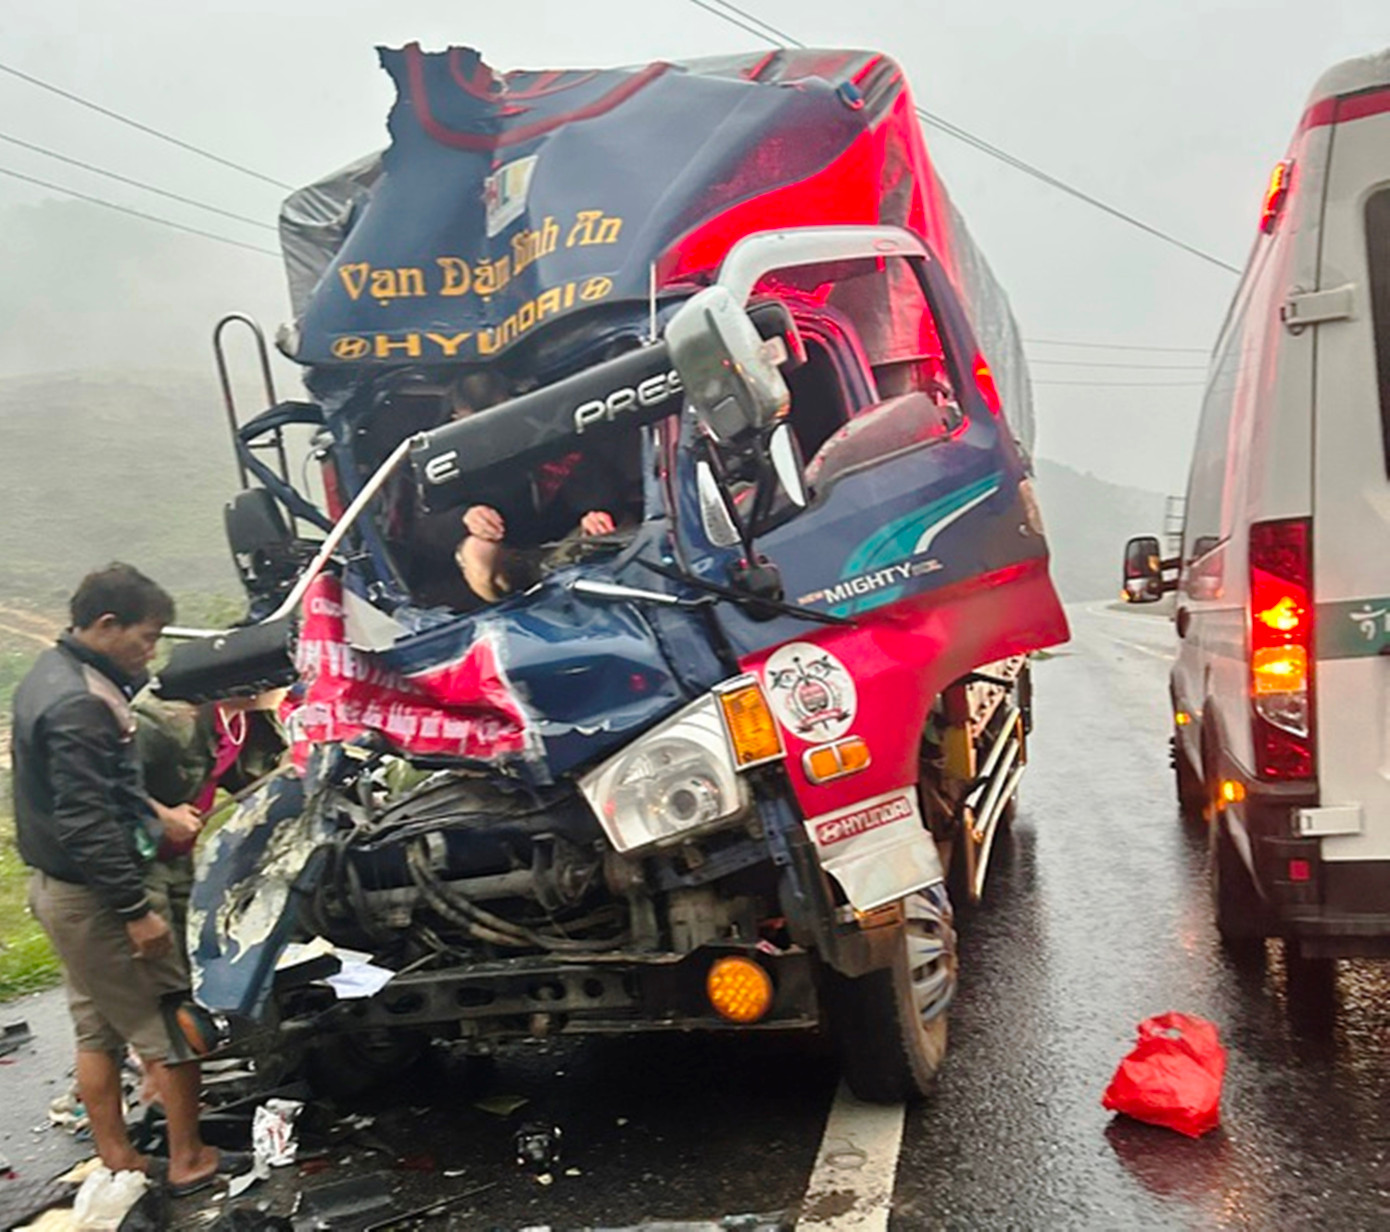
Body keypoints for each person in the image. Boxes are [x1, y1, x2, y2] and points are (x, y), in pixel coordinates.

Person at [11, 563, 238, 1194]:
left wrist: (154, 812)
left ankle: (120, 1158)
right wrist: (137, 909)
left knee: (98, 1028)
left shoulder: (53, 676)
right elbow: (86, 823)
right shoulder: (81, 702)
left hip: (59, 893)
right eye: (146, 636)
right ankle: (190, 1159)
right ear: (106, 625)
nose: (152, 651)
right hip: (98, 897)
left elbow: (96, 792)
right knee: (173, 1026)